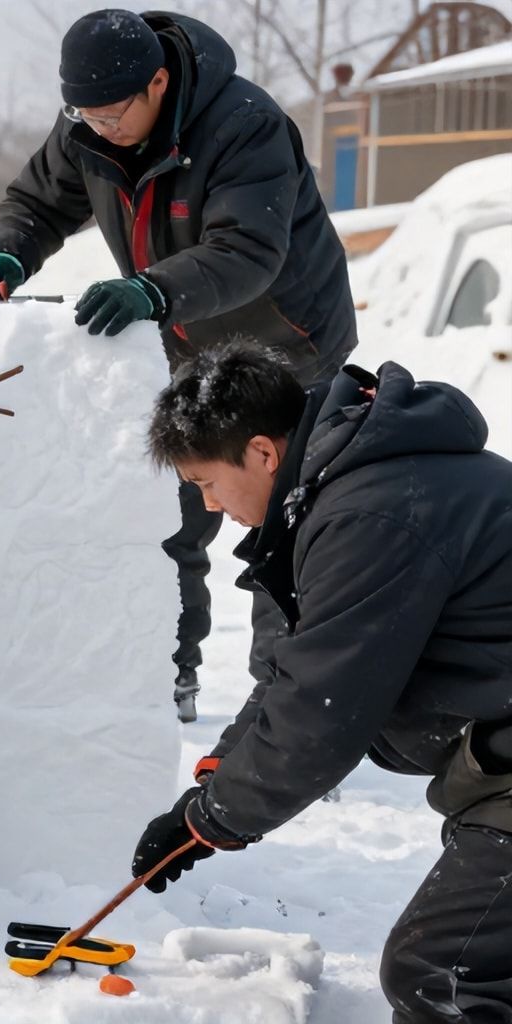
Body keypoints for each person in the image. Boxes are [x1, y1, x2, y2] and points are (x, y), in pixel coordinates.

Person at [0, 9, 357, 722]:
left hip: (289, 346)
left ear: (158, 83)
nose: (101, 129)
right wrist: (6, 250)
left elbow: (247, 250)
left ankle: (292, 705)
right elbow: (37, 202)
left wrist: (153, 290)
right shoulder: (89, 128)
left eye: (114, 114)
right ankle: (165, 677)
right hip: (187, 347)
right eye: (85, 116)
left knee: (286, 525)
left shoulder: (244, 124)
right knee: (173, 517)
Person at [131, 346, 512, 1023]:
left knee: (441, 968)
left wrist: (213, 818)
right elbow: (296, 670)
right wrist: (216, 782)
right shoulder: (334, 495)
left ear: (261, 453)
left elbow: (324, 711)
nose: (209, 504)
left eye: (207, 482)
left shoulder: (371, 513)